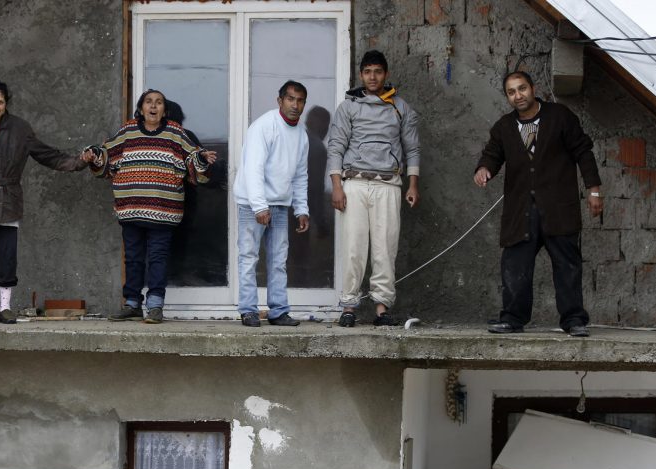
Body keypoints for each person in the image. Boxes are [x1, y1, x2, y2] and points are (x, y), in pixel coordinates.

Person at [0, 78, 89, 324]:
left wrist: (79, 161)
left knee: (7, 256)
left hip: (8, 199)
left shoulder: (20, 129)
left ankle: (5, 308)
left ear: (6, 104)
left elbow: (47, 155)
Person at [473, 70, 602, 337]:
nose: (518, 95)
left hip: (558, 208)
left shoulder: (560, 116)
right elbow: (492, 154)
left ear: (533, 88)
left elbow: (583, 151)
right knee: (515, 266)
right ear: (508, 97)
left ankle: (574, 320)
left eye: (522, 89)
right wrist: (484, 169)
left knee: (567, 266)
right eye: (511, 92)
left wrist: (594, 190)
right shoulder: (504, 127)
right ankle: (512, 319)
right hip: (520, 212)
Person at [84, 89, 217, 323]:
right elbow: (107, 153)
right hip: (131, 208)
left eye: (158, 103)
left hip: (164, 211)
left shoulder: (176, 133)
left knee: (158, 257)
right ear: (141, 108)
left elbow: (192, 157)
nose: (153, 106)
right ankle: (132, 303)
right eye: (148, 102)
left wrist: (203, 158)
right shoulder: (128, 131)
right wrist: (94, 154)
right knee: (133, 258)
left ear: (164, 109)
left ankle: (155, 305)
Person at [327, 50, 421, 328]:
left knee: (384, 248)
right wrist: (336, 186)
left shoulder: (400, 108)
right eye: (367, 71)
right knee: (354, 248)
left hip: (388, 185)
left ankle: (382, 309)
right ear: (361, 74)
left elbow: (412, 147)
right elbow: (336, 146)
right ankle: (349, 307)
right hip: (354, 183)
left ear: (386, 74)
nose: (372, 76)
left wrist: (413, 184)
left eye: (377, 71)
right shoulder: (348, 107)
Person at [233, 80, 310, 328]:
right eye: (290, 99)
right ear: (280, 101)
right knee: (249, 257)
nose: (295, 105)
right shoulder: (264, 126)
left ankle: (278, 311)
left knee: (278, 260)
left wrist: (301, 209)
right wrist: (259, 206)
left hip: (279, 204)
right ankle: (248, 310)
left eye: (300, 100)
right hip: (252, 203)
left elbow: (300, 175)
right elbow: (253, 168)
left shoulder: (301, 135)